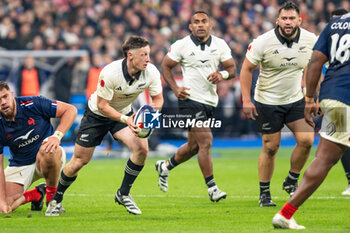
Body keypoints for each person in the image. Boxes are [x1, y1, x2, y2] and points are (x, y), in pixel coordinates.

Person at [45, 36, 163, 216]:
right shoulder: (110, 73)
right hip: (97, 115)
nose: (148, 59)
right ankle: (56, 199)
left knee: (142, 149)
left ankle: (123, 194)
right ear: (130, 55)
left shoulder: (151, 72)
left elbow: (157, 99)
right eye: (144, 55)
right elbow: (102, 106)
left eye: (149, 54)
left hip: (123, 113)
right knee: (78, 162)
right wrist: (126, 119)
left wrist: (150, 120)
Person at [272, 11, 350, 229]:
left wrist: (309, 99)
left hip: (333, 95)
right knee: (325, 159)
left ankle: (286, 214)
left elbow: (316, 60)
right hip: (347, 97)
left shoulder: (335, 24)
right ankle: (286, 213)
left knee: (325, 158)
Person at [240, 1, 317, 207]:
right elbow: (246, 69)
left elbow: (315, 66)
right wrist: (246, 100)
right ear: (277, 20)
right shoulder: (263, 42)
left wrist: (312, 97)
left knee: (307, 140)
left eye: (292, 18)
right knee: (271, 147)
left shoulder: (311, 40)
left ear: (300, 20)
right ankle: (264, 193)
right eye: (284, 18)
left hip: (295, 99)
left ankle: (291, 180)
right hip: (267, 101)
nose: (288, 22)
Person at [155, 11, 236, 202]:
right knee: (206, 141)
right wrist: (175, 89)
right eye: (196, 22)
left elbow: (232, 69)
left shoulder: (220, 44)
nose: (200, 25)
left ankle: (165, 167)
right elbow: (165, 66)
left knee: (193, 147)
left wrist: (222, 75)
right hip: (189, 100)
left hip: (210, 101)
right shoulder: (181, 45)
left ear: (210, 25)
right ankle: (212, 189)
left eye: (204, 21)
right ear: (190, 26)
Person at [0, 81, 77, 213]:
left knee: (49, 149)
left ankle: (53, 199)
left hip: (48, 155)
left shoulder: (33, 103)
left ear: (12, 95)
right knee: (4, 206)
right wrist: (2, 202)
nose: (3, 102)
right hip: (20, 165)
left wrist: (56, 136)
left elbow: (71, 110)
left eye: (5, 96)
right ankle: (36, 194)